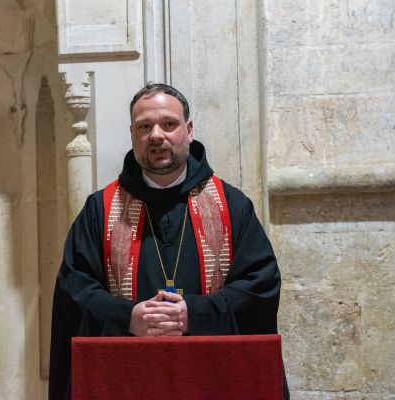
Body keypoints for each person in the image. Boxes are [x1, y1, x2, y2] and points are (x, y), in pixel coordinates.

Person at [48, 83, 287, 399]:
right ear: (133, 135)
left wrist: (194, 314)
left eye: (168, 124)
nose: (156, 135)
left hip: (212, 380)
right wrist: (130, 318)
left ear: (188, 130)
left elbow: (260, 286)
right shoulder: (101, 209)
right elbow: (74, 290)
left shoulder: (231, 205)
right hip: (126, 380)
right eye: (144, 126)